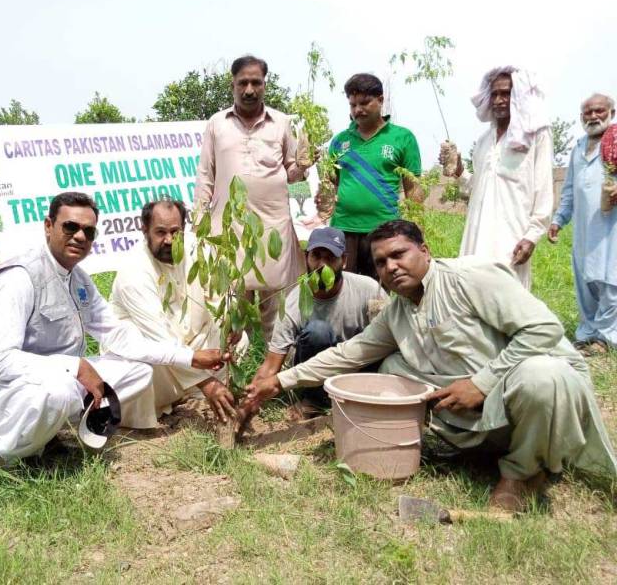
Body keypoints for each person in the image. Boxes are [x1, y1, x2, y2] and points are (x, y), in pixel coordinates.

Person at [245, 220, 616, 512]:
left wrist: (483, 382)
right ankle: (469, 448)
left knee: (542, 377)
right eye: (381, 262)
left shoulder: (470, 277)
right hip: (472, 400)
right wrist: (280, 381)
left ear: (424, 250)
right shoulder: (398, 311)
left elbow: (544, 329)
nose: (391, 267)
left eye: (399, 254)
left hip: (520, 388)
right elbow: (350, 353)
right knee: (390, 368)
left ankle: (523, 473)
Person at [0, 192, 227, 479]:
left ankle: (51, 431)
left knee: (138, 372)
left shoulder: (77, 278)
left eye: (88, 231)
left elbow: (118, 336)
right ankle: (11, 456)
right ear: (49, 227)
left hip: (49, 382)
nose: (80, 237)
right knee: (59, 388)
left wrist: (190, 358)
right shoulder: (19, 278)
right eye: (70, 227)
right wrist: (74, 366)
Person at [195, 55, 314, 340]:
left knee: (276, 302)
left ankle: (277, 364)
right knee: (232, 299)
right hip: (229, 225)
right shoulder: (216, 123)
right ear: (232, 85)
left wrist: (305, 167)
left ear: (265, 84)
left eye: (256, 83)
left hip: (274, 226)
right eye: (243, 83)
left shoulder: (283, 123)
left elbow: (293, 175)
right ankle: (235, 360)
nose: (249, 89)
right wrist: (199, 222)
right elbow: (205, 175)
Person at [110, 199, 246, 427]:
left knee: (235, 339)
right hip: (156, 363)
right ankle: (197, 390)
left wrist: (233, 319)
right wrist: (208, 383)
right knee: (149, 358)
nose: (169, 240)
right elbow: (159, 339)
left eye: (176, 232)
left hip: (188, 346)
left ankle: (194, 393)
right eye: (160, 232)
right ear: (145, 230)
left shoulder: (195, 247)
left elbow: (218, 295)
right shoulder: (133, 272)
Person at [250, 226, 388, 418]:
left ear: (345, 261)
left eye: (331, 258)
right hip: (315, 369)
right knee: (318, 331)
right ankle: (315, 400)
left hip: (358, 364)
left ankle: (365, 395)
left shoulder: (368, 289)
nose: (322, 265)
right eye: (316, 256)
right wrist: (250, 399)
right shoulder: (295, 300)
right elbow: (272, 363)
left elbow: (388, 336)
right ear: (307, 258)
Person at [446, 67, 553, 289]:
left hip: (511, 239)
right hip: (476, 237)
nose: (499, 100)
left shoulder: (536, 135)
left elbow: (543, 189)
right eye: (494, 94)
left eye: (506, 93)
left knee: (509, 302)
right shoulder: (484, 140)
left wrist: (532, 236)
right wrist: (459, 171)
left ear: (519, 96)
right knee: (472, 295)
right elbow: (478, 188)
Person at [326, 73, 422, 279]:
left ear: (380, 100)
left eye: (364, 103)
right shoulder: (339, 141)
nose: (357, 110)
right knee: (344, 288)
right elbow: (332, 184)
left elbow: (413, 188)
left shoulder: (402, 138)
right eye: (352, 105)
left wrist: (414, 229)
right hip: (344, 229)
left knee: (381, 291)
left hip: (384, 230)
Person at [548, 94, 617, 356]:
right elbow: (569, 191)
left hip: (611, 229)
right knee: (585, 281)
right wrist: (558, 219)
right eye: (587, 112)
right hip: (584, 231)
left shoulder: (615, 143)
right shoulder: (578, 147)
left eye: (599, 111)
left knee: (610, 282)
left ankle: (606, 338)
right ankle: (588, 333)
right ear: (581, 117)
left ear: (611, 112)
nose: (593, 116)